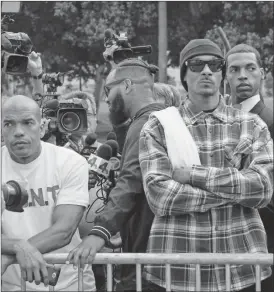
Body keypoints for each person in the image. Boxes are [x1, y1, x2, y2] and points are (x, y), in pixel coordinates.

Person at [139, 39, 273, 292]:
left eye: (214, 64)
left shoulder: (252, 125)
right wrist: (236, 192)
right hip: (178, 269)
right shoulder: (159, 126)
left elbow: (263, 189)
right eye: (197, 64)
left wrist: (193, 175)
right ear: (184, 75)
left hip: (241, 268)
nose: (207, 70)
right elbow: (161, 197)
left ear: (222, 73)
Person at [67, 58, 169, 291]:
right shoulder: (161, 119)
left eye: (108, 90)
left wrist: (100, 232)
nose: (105, 99)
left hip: (147, 253)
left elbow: (131, 181)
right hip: (154, 244)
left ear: (127, 86)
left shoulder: (146, 123)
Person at [1, 95, 96, 291]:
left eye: (28, 123)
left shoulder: (70, 162)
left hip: (70, 283)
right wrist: (19, 247)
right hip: (14, 285)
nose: (18, 132)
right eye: (9, 124)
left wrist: (14, 252)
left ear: (42, 127)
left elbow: (64, 230)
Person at [225, 43, 274, 285]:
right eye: (234, 69)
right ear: (225, 75)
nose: (242, 75)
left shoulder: (269, 123)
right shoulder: (221, 120)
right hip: (223, 241)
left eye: (250, 68)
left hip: (264, 239)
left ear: (262, 72)